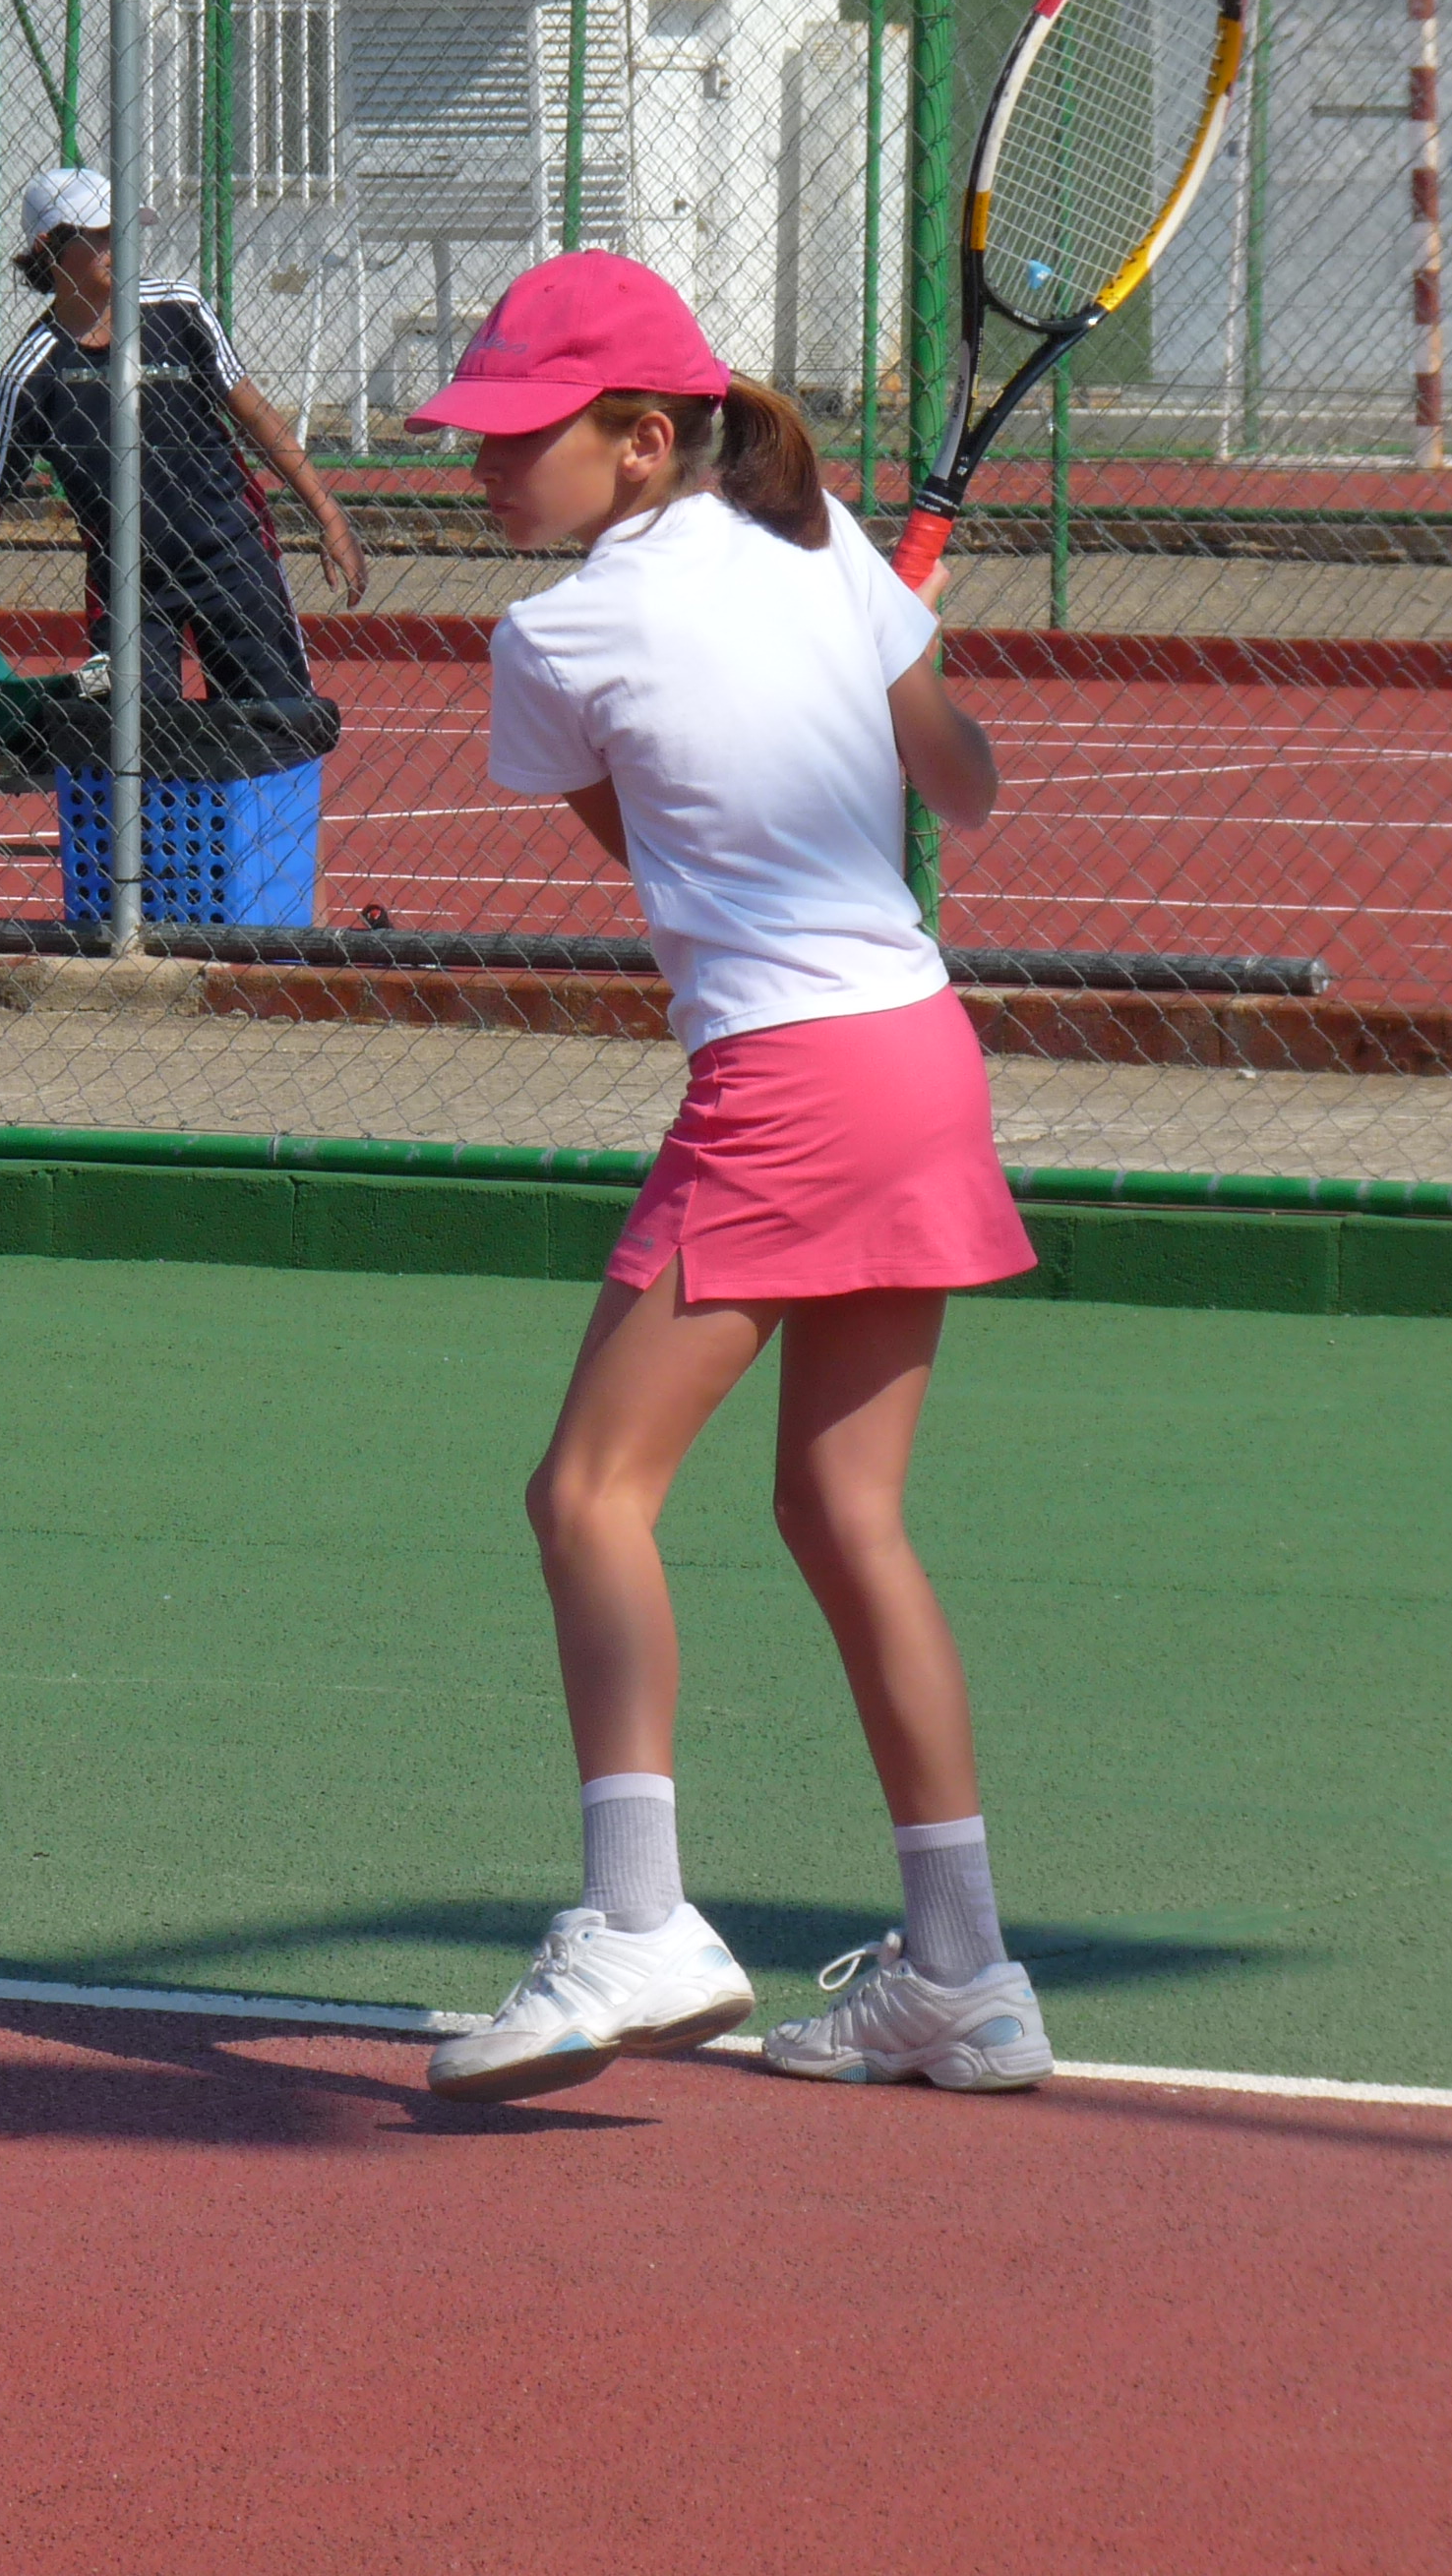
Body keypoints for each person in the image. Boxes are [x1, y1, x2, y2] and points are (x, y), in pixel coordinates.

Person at [402, 251, 1054, 2106]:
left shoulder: (555, 641)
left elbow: (651, 847)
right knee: (845, 1516)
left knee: (585, 1492)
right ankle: (962, 1974)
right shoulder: (822, 546)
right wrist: (895, 647)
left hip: (787, 1078)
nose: (480, 467)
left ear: (636, 439)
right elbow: (957, 786)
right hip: (921, 1053)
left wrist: (869, 636)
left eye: (514, 436)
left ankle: (637, 1922)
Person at [0, 167, 363, 706]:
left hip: (232, 555)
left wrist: (330, 515)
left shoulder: (181, 310)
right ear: (49, 247)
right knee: (137, 738)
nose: (119, 245)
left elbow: (256, 415)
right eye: (100, 233)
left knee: (276, 723)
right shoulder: (31, 372)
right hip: (128, 583)